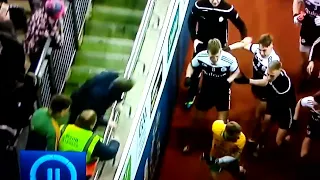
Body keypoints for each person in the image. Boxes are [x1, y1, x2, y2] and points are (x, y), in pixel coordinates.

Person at [185, 0, 248, 109]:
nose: (215, 1)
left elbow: (241, 24)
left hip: (220, 47)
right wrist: (194, 39)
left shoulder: (227, 8)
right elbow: (191, 21)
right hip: (202, 44)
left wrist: (244, 37)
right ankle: (192, 94)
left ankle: (222, 95)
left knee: (222, 70)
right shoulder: (199, 6)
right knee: (196, 70)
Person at [183, 38, 241, 152]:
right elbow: (191, 65)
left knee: (222, 125)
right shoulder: (201, 56)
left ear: (221, 51)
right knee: (197, 120)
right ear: (207, 52)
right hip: (206, 91)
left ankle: (217, 148)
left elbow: (237, 72)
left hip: (222, 93)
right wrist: (188, 76)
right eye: (211, 57)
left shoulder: (229, 59)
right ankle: (191, 143)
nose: (214, 60)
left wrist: (229, 80)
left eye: (217, 56)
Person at [227, 34, 281, 149]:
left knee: (260, 116)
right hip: (257, 87)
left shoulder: (273, 61)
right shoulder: (257, 48)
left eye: (264, 50)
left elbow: (266, 82)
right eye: (260, 49)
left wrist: (248, 81)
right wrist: (229, 48)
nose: (261, 53)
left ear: (271, 46)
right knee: (261, 113)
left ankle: (259, 140)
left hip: (268, 91)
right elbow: (244, 45)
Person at [241, 61, 297, 152]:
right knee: (265, 121)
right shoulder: (272, 73)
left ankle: (286, 144)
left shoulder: (284, 83)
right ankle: (261, 141)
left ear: (280, 71)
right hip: (274, 102)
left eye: (272, 76)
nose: (269, 77)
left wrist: (248, 81)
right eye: (268, 74)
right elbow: (266, 81)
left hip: (285, 110)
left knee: (278, 141)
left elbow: (265, 83)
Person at [59, 110, 120, 179]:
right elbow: (110, 153)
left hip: (57, 167)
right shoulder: (92, 141)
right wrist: (115, 141)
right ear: (92, 125)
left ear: (78, 118)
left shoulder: (63, 128)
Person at [69, 71, 134, 126]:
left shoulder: (113, 75)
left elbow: (118, 89)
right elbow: (94, 115)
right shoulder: (100, 96)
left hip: (85, 94)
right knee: (76, 123)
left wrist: (118, 102)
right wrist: (107, 123)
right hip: (79, 104)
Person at [24, 0, 65, 72]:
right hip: (35, 50)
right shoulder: (49, 28)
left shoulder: (39, 12)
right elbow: (60, 43)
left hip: (29, 42)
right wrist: (60, 28)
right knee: (36, 67)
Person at [292, 0, 320, 90]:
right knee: (305, 55)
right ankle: (306, 74)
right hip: (308, 26)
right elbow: (297, 1)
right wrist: (295, 15)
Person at [294, 91, 320, 158]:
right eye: (314, 101)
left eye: (316, 103)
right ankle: (303, 157)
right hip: (313, 123)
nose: (313, 103)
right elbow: (300, 102)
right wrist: (295, 118)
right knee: (308, 137)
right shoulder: (310, 101)